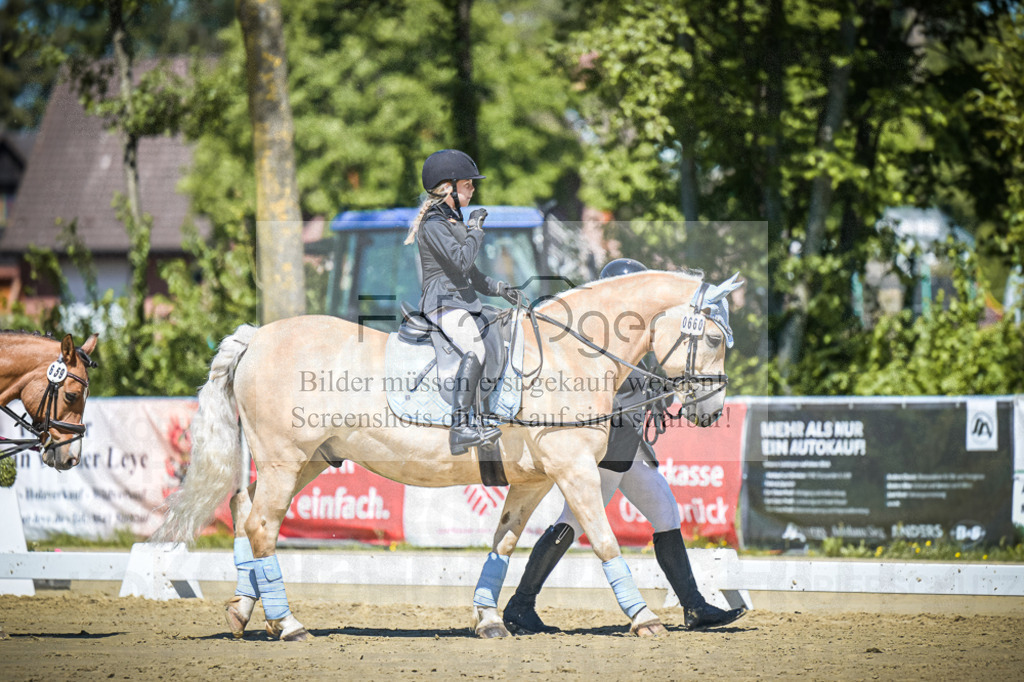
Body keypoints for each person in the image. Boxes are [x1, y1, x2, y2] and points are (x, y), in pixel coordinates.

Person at [501, 258, 747, 634]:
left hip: (628, 449)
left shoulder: (639, 340)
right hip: (607, 449)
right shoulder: (599, 344)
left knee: (664, 511)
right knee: (573, 520)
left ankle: (695, 607)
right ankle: (521, 605)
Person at [404, 149, 520, 456]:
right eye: (468, 184)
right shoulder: (434, 224)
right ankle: (460, 428)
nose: (473, 189)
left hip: (461, 301)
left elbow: (471, 272)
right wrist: (476, 230)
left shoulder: (451, 221)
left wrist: (498, 287)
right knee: (475, 348)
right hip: (443, 303)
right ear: (449, 187)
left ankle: (487, 412)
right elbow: (461, 260)